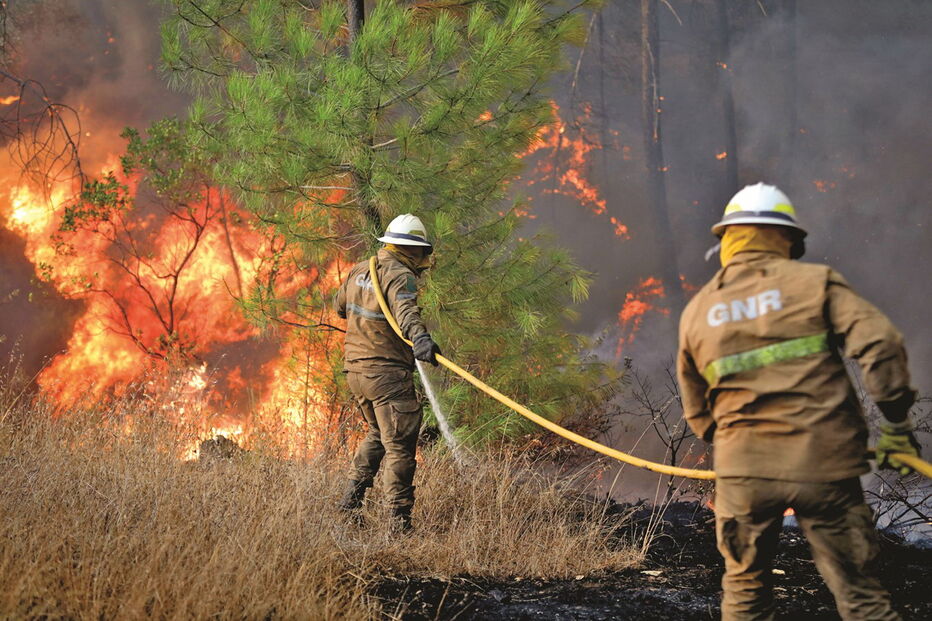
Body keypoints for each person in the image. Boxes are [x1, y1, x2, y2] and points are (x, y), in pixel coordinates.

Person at [676, 183, 922, 620]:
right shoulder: (814, 283)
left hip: (743, 472)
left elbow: (697, 412)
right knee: (860, 595)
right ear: (788, 238)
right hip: (823, 463)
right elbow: (880, 343)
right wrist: (898, 427)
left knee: (745, 594)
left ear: (728, 239)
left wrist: (738, 443)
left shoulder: (698, 310)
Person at [333, 214, 442, 532]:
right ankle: (399, 521)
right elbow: (406, 311)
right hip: (386, 373)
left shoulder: (360, 269)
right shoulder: (399, 275)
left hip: (356, 370)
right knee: (400, 446)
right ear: (412, 250)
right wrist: (420, 338)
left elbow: (339, 306)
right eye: (423, 252)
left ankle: (350, 503)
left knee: (377, 435)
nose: (424, 260)